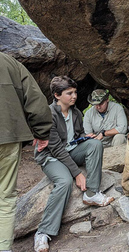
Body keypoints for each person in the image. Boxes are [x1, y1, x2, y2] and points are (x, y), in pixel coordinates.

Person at [34, 76, 114, 252]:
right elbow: (55, 148)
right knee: (64, 182)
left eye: (75, 92)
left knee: (95, 144)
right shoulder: (49, 115)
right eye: (69, 93)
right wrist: (77, 173)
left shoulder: (76, 113)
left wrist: (86, 138)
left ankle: (91, 194)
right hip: (51, 157)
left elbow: (75, 138)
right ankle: (43, 233)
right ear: (56, 95)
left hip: (69, 150)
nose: (74, 96)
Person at [0, 52, 52, 252]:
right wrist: (42, 131)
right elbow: (36, 100)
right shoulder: (9, 63)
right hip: (8, 137)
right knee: (5, 197)